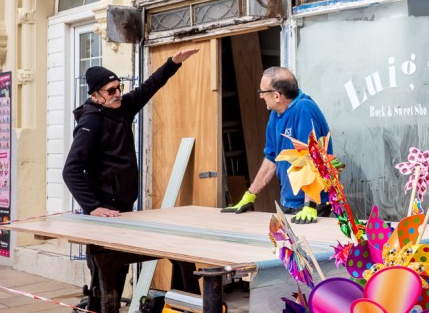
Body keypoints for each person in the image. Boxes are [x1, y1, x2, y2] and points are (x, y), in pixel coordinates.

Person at [63, 48, 198, 311]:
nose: (117, 94)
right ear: (95, 95)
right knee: (106, 273)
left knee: (117, 271)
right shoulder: (90, 123)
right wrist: (92, 206)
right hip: (103, 212)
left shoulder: (122, 108)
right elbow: (71, 170)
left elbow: (149, 87)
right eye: (110, 90)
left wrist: (173, 63)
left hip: (123, 209)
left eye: (118, 87)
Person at [222, 66, 332, 224]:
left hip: (312, 205)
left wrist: (310, 205)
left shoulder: (304, 109)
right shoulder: (275, 115)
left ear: (276, 96)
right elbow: (272, 158)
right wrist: (249, 195)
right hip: (289, 201)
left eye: (262, 92)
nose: (260, 97)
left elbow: (312, 157)